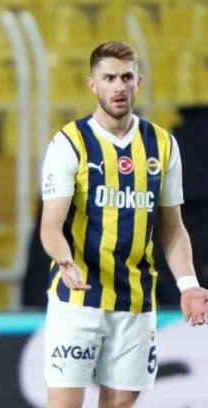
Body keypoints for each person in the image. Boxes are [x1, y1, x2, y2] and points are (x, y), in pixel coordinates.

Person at [39, 41, 208, 408]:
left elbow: (173, 227)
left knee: (118, 405)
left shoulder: (162, 145)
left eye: (126, 77)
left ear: (138, 82)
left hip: (135, 298)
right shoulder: (70, 143)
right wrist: (64, 260)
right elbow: (51, 224)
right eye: (109, 78)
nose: (119, 86)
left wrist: (189, 284)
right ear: (92, 84)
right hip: (78, 297)